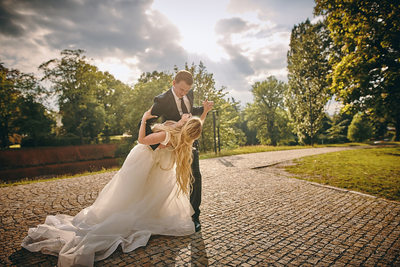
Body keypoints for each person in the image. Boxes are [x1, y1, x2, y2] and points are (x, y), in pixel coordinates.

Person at [21, 105, 212, 267]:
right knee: (141, 194)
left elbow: (142, 140)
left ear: (185, 125)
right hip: (155, 164)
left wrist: (144, 120)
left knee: (125, 191)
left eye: (187, 119)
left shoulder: (165, 135)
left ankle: (118, 215)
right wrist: (196, 117)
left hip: (142, 160)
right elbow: (192, 128)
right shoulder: (182, 139)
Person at [145, 70, 214, 232]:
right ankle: (155, 214)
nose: (184, 94)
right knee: (161, 179)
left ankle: (194, 216)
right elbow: (146, 121)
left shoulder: (188, 95)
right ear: (173, 83)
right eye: (181, 90)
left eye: (187, 91)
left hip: (188, 143)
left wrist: (203, 109)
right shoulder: (162, 100)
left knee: (195, 176)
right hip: (169, 144)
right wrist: (157, 144)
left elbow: (189, 111)